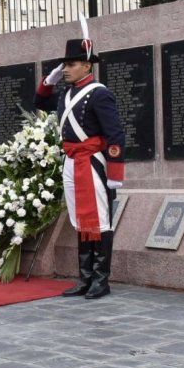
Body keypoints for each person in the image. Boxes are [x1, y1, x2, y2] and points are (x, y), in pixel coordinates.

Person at [35, 30, 125, 299]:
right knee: (79, 219)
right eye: (65, 65)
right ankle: (85, 278)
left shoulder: (99, 94)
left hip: (93, 163)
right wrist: (47, 82)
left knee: (100, 220)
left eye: (71, 64)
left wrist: (114, 173)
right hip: (72, 162)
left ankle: (100, 279)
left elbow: (115, 134)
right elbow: (40, 102)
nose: (66, 69)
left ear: (87, 65)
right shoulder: (64, 94)